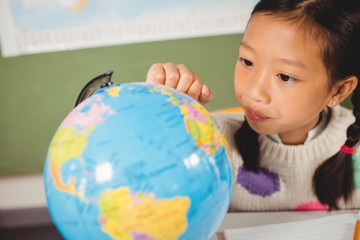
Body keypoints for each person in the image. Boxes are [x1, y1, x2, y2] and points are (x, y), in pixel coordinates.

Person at [145, 0, 360, 211]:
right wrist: (168, 121)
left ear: (339, 90)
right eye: (247, 62)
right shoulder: (212, 140)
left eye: (285, 76)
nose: (253, 92)